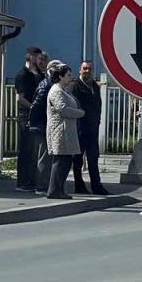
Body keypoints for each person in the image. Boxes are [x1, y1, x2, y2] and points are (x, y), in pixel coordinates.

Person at [44, 62, 84, 199]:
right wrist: (80, 113)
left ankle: (58, 188)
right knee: (61, 160)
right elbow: (63, 109)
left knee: (65, 160)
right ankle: (54, 189)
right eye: (68, 75)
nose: (70, 77)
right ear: (60, 76)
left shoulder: (63, 91)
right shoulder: (56, 91)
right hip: (60, 131)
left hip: (66, 130)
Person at [72, 60, 107, 195]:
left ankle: (96, 186)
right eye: (85, 69)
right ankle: (79, 185)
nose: (87, 71)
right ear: (80, 70)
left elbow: (98, 104)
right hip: (80, 127)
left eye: (90, 69)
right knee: (78, 159)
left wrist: (97, 120)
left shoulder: (94, 86)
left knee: (93, 158)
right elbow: (75, 104)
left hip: (93, 128)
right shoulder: (75, 85)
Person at [13, 47, 44, 192]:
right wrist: (33, 107)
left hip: (37, 117)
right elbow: (20, 98)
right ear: (30, 57)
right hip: (26, 116)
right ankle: (22, 182)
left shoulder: (38, 74)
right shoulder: (22, 75)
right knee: (26, 150)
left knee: (34, 151)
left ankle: (32, 180)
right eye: (37, 57)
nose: (40, 60)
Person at [27, 52, 54, 194]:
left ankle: (44, 184)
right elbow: (37, 105)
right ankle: (41, 186)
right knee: (44, 157)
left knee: (45, 156)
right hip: (43, 125)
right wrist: (33, 122)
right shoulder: (47, 84)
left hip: (44, 124)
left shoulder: (47, 82)